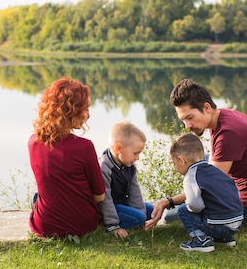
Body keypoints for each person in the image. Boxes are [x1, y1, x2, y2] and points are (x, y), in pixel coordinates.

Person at [145, 78, 247, 230]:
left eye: (190, 118)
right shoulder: (221, 117)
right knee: (198, 161)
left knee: (170, 217)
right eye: (183, 120)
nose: (187, 126)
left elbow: (208, 187)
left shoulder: (229, 133)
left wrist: (169, 202)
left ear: (207, 107)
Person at [28, 77, 105, 238]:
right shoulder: (84, 146)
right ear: (70, 112)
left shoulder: (33, 142)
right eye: (85, 109)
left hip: (45, 225)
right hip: (83, 224)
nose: (88, 115)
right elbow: (99, 196)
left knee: (38, 197)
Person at [168, 133, 243, 252]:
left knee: (183, 210)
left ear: (181, 160)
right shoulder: (216, 171)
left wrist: (195, 208)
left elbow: (194, 205)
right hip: (236, 223)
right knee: (214, 206)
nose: (175, 167)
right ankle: (225, 239)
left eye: (174, 163)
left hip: (218, 225)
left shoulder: (191, 175)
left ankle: (201, 241)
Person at [98, 121, 154, 240]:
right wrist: (113, 225)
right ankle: (106, 226)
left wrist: (142, 213)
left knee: (152, 211)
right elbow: (105, 200)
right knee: (139, 217)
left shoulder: (129, 165)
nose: (138, 158)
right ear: (118, 148)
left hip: (122, 202)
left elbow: (135, 192)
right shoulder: (104, 167)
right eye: (135, 153)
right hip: (109, 207)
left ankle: (137, 220)